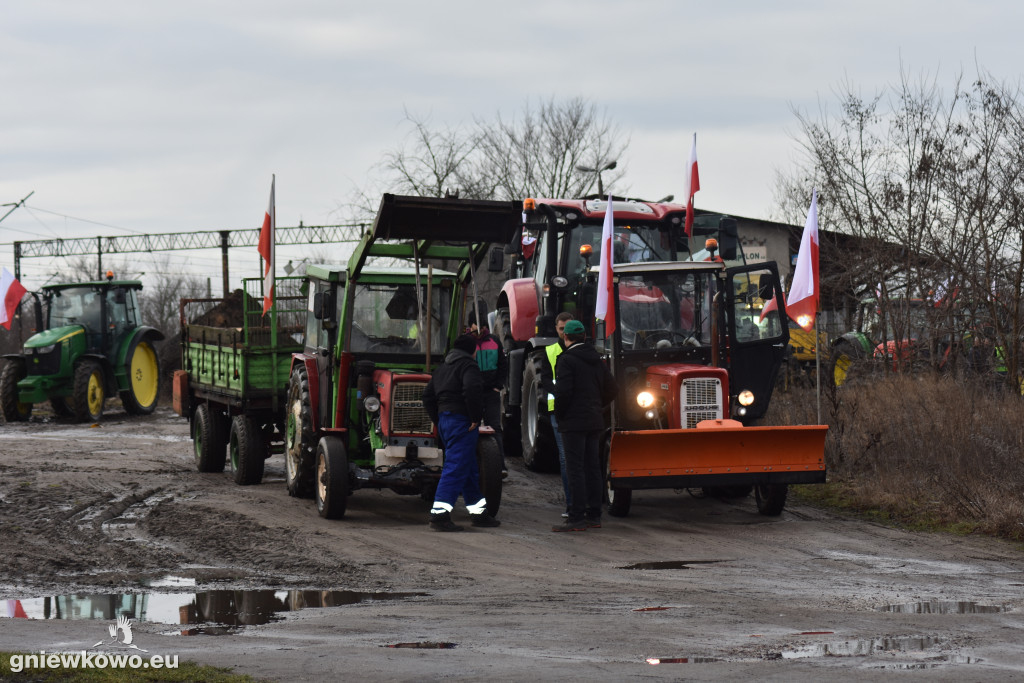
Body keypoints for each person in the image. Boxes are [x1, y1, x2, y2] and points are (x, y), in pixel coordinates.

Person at [422, 333, 500, 532]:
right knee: (456, 467)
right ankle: (439, 515)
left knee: (468, 468)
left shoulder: (442, 369)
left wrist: (438, 420)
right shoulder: (468, 366)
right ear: (472, 350)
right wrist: (475, 417)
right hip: (463, 422)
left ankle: (478, 513)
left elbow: (427, 396)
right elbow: (472, 389)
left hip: (446, 421)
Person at [552, 320, 617, 532]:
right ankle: (594, 515)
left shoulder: (567, 360)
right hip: (594, 420)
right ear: (585, 337)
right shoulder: (596, 360)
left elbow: (563, 393)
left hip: (573, 423)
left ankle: (576, 518)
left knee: (575, 469)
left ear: (566, 337)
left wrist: (561, 415)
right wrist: (598, 406)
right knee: (592, 467)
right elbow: (612, 389)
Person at [539, 312, 575, 516]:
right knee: (565, 458)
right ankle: (572, 504)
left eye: (567, 329)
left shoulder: (579, 350)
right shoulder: (550, 351)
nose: (564, 333)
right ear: (556, 329)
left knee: (577, 458)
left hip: (575, 410)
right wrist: (561, 393)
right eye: (561, 329)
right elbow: (545, 380)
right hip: (557, 410)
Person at [467, 311, 508, 478]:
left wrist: (498, 386)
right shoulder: (467, 343)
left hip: (491, 392)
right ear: (471, 326)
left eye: (483, 326)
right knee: (470, 427)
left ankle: (500, 466)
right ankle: (472, 466)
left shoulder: (494, 341)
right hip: (472, 392)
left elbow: (502, 364)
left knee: (495, 428)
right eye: (477, 326)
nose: (480, 329)